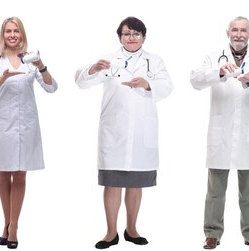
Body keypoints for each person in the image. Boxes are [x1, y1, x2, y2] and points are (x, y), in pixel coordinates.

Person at [74, 16, 173, 249]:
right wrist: (93, 68)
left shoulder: (154, 61)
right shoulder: (108, 60)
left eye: (136, 34)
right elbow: (81, 81)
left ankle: (132, 229)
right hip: (114, 131)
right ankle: (110, 233)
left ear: (144, 37)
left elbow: (167, 86)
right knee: (112, 183)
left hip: (141, 132)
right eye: (127, 33)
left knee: (136, 183)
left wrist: (147, 84)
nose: (131, 38)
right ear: (120, 36)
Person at [190, 16, 249, 250]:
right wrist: (220, 72)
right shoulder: (214, 57)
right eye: (234, 30)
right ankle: (212, 233)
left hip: (247, 133)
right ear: (228, 33)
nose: (238, 34)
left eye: (243, 30)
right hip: (221, 132)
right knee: (215, 190)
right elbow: (195, 80)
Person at [0, 16, 57, 250]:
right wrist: (3, 78)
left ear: (22, 35)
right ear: (3, 35)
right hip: (2, 126)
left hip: (26, 125)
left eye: (16, 31)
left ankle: (14, 228)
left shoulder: (30, 62)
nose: (12, 35)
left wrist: (41, 66)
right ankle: (6, 224)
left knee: (20, 175)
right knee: (3, 175)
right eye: (8, 31)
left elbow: (52, 87)